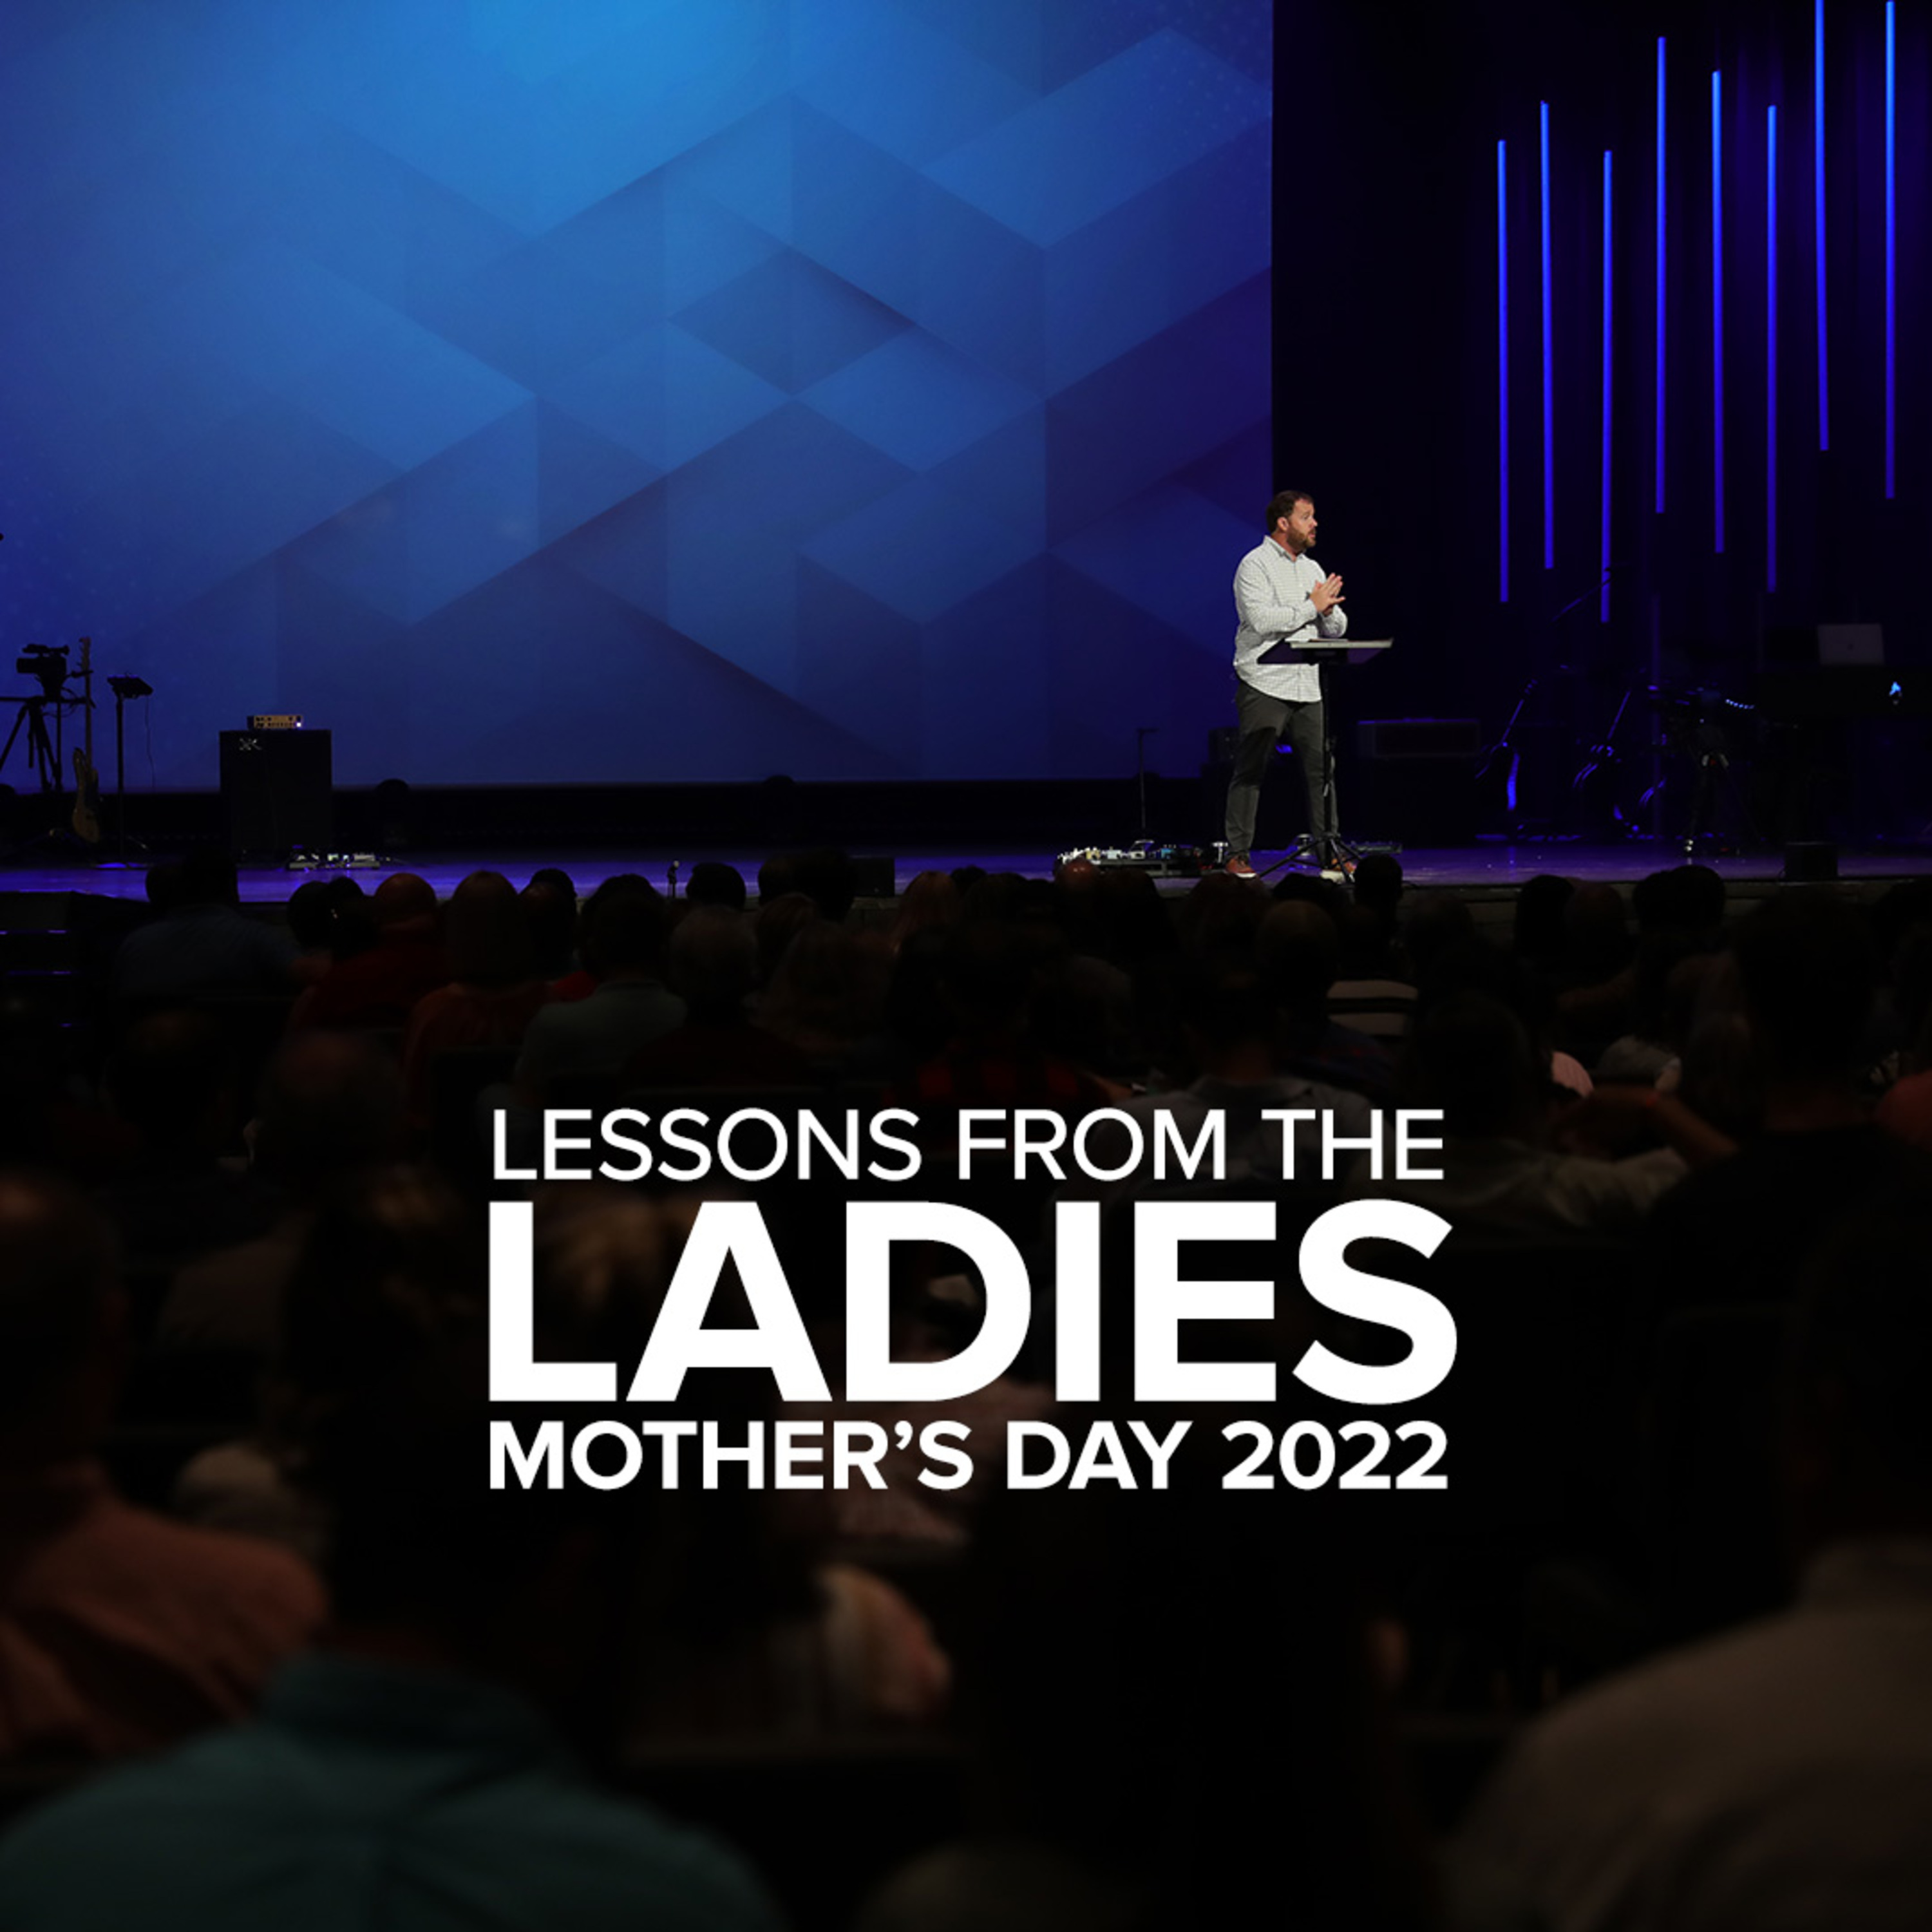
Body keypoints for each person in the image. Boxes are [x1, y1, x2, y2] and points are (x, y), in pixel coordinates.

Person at [1222, 488, 1349, 879]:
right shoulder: (1254, 565)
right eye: (1306, 517)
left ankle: (1330, 852)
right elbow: (1262, 621)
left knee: (1322, 771)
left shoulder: (1312, 569)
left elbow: (1337, 629)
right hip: (1265, 681)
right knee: (1252, 769)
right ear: (1283, 522)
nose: (1315, 524)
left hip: (1307, 684)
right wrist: (1313, 607)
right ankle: (1238, 854)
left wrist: (1329, 613)